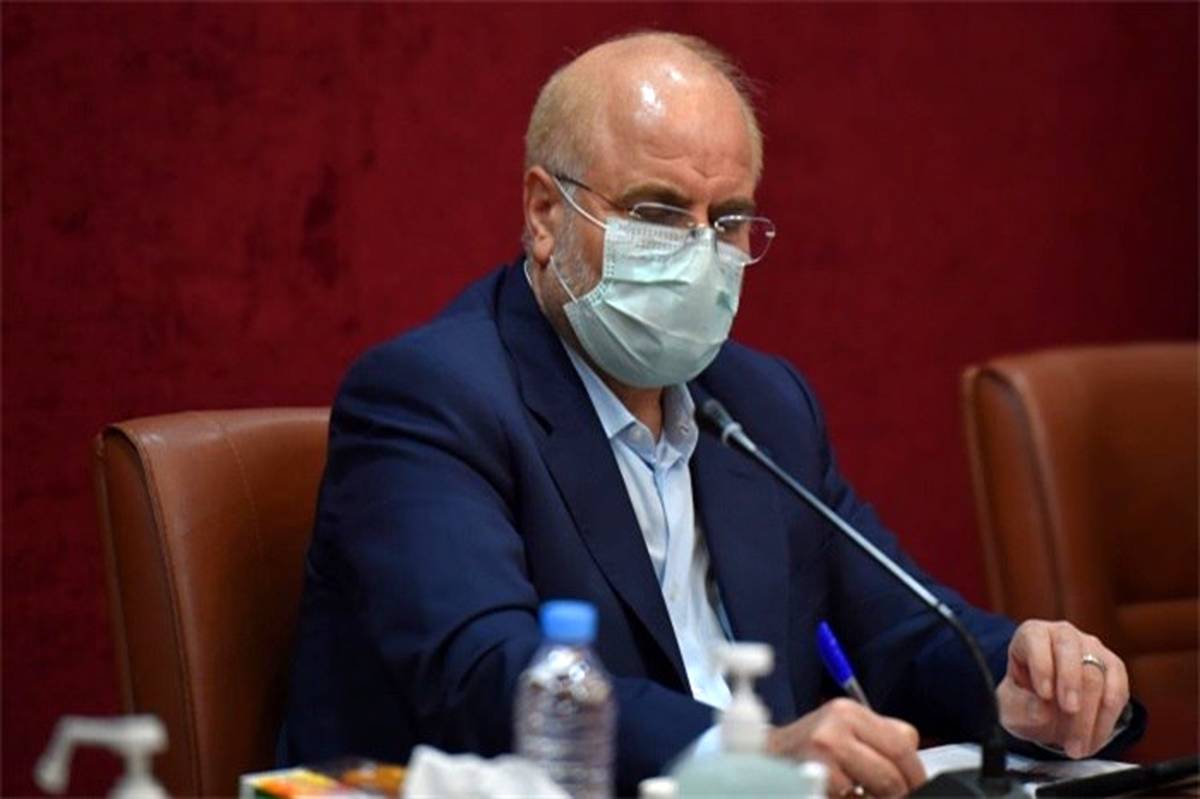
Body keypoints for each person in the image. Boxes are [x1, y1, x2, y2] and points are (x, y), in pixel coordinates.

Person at [283, 31, 1141, 797]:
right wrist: (745, 754)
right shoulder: (431, 395)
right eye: (658, 212)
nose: (699, 251)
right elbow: (488, 678)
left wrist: (1023, 684)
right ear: (545, 213)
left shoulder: (762, 404)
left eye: (727, 221)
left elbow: (903, 629)